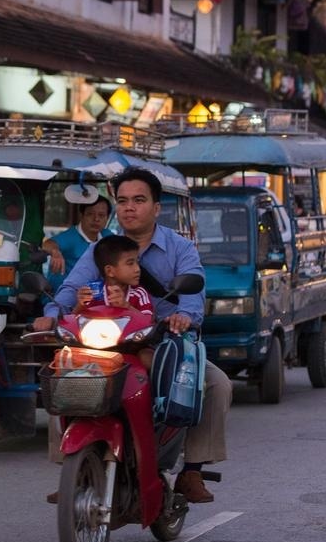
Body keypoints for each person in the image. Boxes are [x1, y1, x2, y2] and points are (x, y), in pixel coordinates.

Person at [34, 167, 231, 503]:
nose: (129, 207)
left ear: (156, 207)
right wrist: (51, 314)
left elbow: (193, 297)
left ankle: (192, 470)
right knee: (64, 372)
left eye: (139, 200)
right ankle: (71, 465)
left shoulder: (180, 248)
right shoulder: (102, 250)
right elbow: (69, 287)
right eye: (122, 200)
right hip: (106, 341)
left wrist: (184, 316)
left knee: (215, 384)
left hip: (162, 342)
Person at [44, 196, 113, 291]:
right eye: (90, 214)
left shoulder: (107, 236)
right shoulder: (71, 236)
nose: (96, 219)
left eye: (101, 215)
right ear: (82, 215)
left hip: (94, 295)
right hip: (62, 297)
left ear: (107, 218)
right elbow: (47, 244)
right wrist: (55, 252)